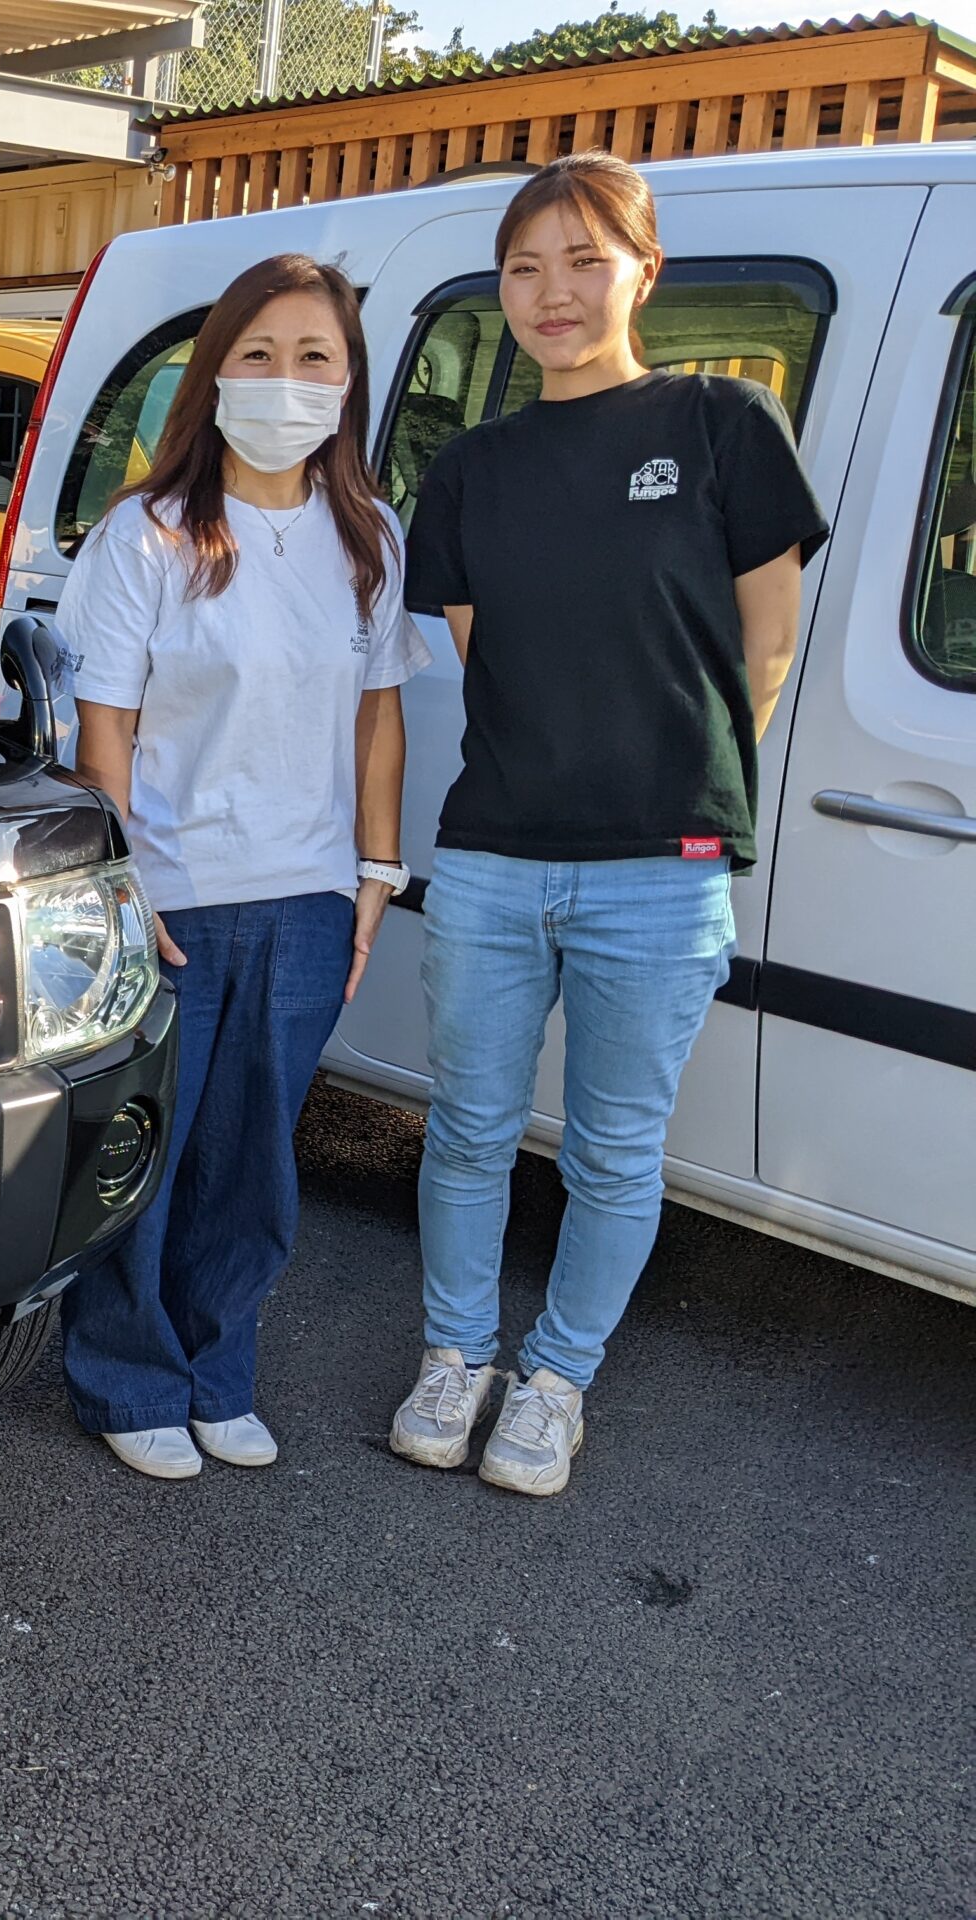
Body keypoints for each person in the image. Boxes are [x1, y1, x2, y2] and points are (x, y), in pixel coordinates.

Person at [390, 152, 827, 1496]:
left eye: (584, 260)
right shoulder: (473, 469)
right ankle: (455, 1355)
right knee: (466, 1130)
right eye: (525, 268)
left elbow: (766, 651)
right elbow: (489, 656)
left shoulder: (723, 426)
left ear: (646, 266)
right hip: (494, 860)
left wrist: (663, 786)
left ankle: (557, 1381)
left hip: (661, 872)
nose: (553, 292)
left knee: (612, 1151)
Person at [61, 254, 426, 1480]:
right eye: (258, 354)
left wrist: (374, 873)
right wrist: (123, 891)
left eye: (314, 357)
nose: (286, 379)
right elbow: (99, 727)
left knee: (256, 1162)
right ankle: (129, 1381)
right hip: (176, 897)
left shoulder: (367, 536)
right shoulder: (147, 534)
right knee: (149, 1155)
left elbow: (380, 716)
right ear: (213, 371)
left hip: (309, 896)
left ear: (348, 382)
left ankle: (220, 1372)